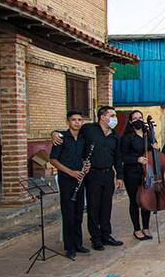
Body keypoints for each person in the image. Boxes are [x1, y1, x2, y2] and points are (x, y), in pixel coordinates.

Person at [51, 106, 124, 251]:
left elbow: (118, 157)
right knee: (93, 206)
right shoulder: (89, 129)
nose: (115, 118)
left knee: (106, 206)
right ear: (103, 117)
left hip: (108, 174)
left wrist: (119, 176)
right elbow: (69, 133)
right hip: (92, 175)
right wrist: (53, 133)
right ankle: (95, 238)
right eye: (113, 115)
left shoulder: (115, 135)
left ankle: (106, 235)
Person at [49, 110, 91, 259]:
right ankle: (70, 247)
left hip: (79, 178)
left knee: (79, 212)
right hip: (66, 179)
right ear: (68, 121)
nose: (77, 122)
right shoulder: (61, 137)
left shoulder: (82, 139)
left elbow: (83, 157)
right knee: (68, 213)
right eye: (73, 120)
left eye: (79, 120)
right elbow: (53, 160)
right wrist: (70, 172)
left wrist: (86, 166)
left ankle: (78, 244)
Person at [120, 110, 153, 241]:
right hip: (132, 172)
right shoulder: (127, 137)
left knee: (147, 200)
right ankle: (137, 229)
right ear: (130, 122)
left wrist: (155, 147)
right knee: (135, 201)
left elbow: (152, 153)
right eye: (135, 118)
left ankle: (146, 227)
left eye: (140, 117)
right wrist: (137, 159)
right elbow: (123, 156)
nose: (138, 120)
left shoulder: (148, 134)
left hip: (147, 171)